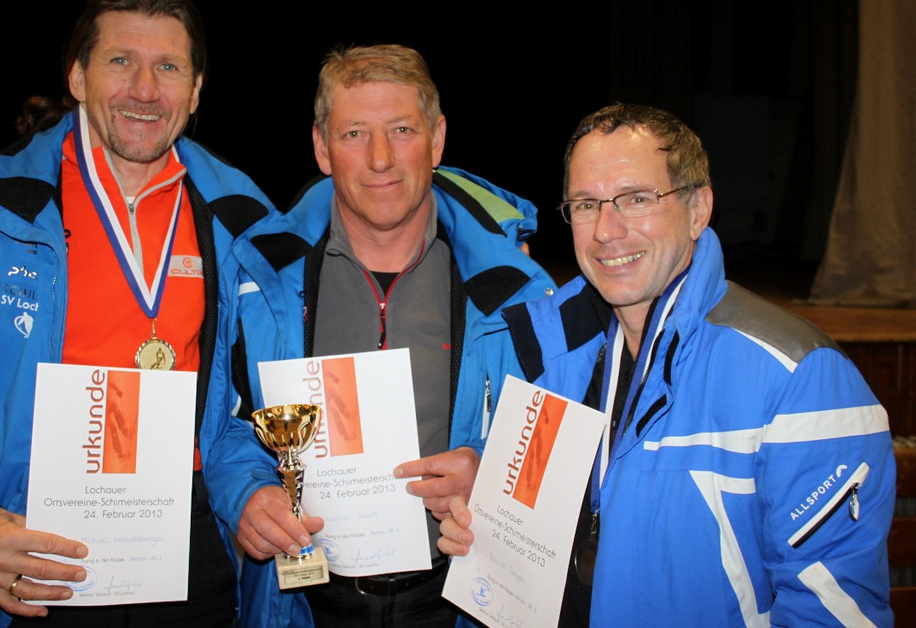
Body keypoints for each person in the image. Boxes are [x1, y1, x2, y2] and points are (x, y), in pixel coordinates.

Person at [0, 0, 274, 627]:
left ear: (196, 89)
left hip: (188, 556)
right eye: (121, 61)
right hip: (24, 549)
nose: (145, 90)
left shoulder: (243, 220)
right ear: (76, 76)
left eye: (168, 67)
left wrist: (248, 493)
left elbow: (254, 407)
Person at [439, 103, 895, 626]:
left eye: (637, 199)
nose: (606, 230)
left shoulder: (800, 378)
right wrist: (485, 511)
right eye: (586, 204)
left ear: (699, 209)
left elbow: (833, 613)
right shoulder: (551, 363)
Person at [207, 44, 556, 627]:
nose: (379, 158)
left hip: (457, 598)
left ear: (437, 140)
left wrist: (491, 477)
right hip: (303, 604)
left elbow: (555, 453)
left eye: (401, 130)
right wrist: (245, 492)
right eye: (354, 134)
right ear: (322, 148)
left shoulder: (518, 291)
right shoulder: (257, 280)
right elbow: (225, 424)